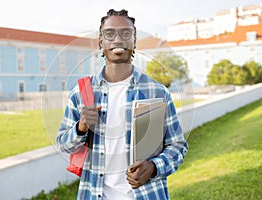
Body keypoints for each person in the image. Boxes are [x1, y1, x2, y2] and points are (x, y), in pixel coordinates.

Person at [57, 9, 189, 199]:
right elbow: (64, 144)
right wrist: (81, 127)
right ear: (101, 42)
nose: (118, 39)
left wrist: (153, 167)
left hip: (147, 194)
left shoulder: (157, 92)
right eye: (109, 34)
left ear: (134, 41)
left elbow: (177, 145)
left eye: (126, 33)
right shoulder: (81, 93)